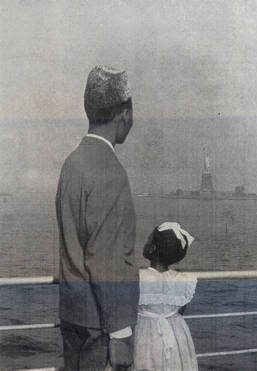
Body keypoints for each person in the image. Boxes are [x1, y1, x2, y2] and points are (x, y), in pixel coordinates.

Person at [56, 66, 139, 370]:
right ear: (124, 112)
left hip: (73, 319)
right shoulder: (110, 171)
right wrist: (120, 333)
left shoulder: (72, 164)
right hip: (102, 328)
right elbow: (105, 259)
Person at [134, 222, 198, 371]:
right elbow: (180, 310)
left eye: (149, 240)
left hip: (146, 331)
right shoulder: (182, 279)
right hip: (176, 332)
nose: (146, 242)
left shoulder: (138, 276)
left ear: (153, 248)